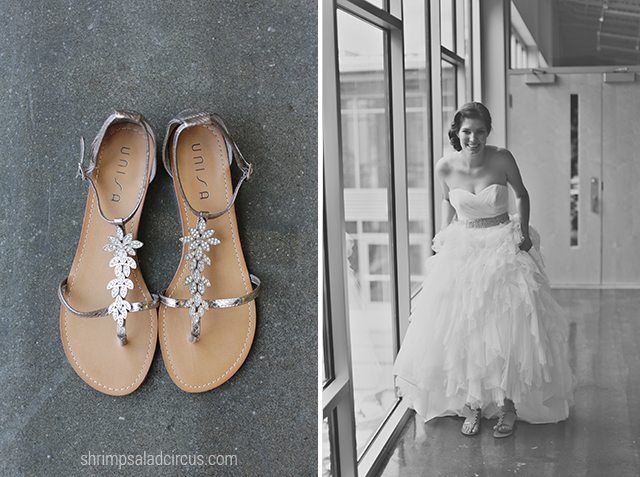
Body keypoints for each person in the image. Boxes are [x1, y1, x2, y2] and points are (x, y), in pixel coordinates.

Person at [393, 102, 574, 438]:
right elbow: (449, 205)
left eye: (479, 131)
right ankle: (472, 405)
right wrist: (445, 239)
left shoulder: (502, 157)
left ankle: (508, 407)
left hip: (502, 244)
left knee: (507, 329)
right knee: (465, 330)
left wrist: (524, 233)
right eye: (467, 132)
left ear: (487, 132)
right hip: (464, 247)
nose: (473, 138)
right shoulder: (444, 167)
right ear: (457, 133)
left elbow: (522, 194)